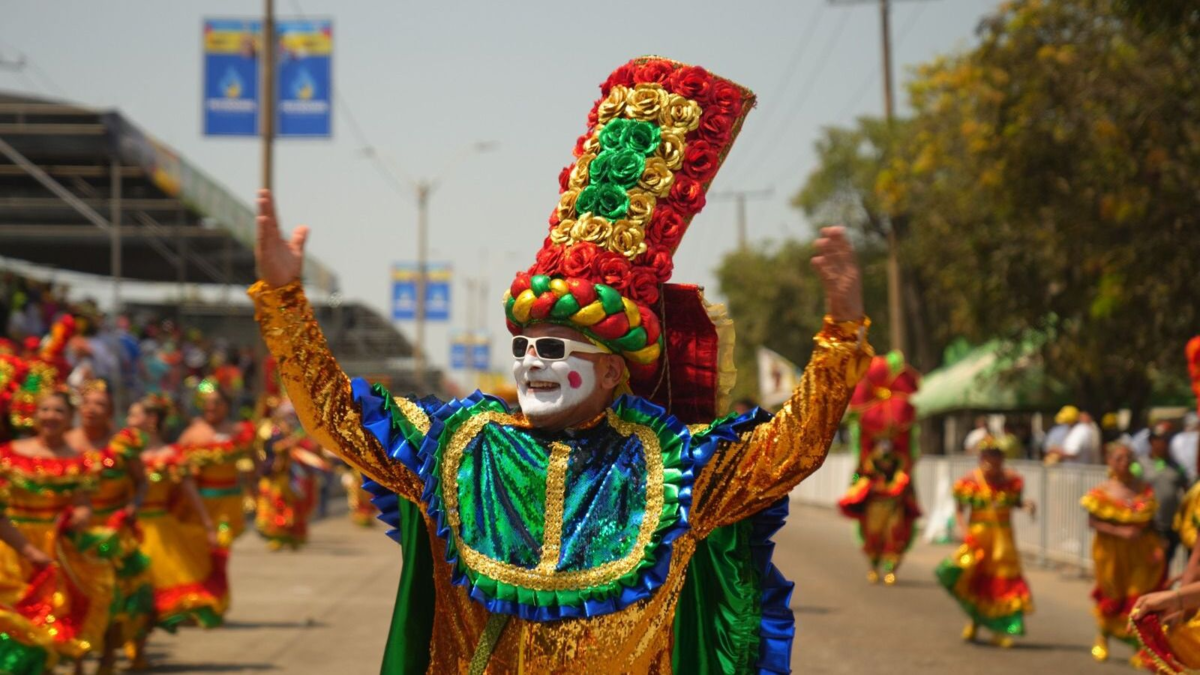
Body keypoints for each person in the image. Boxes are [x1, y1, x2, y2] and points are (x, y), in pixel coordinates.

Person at [249, 55, 872, 672]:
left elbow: (793, 448)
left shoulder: (675, 471)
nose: (530, 364)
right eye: (522, 348)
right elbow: (336, 415)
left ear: (612, 371)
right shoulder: (459, 448)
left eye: (553, 349)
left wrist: (842, 335)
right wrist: (283, 300)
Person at [0, 391, 117, 670]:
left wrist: (82, 513)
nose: (50, 416)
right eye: (45, 410)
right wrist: (29, 551)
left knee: (49, 621)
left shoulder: (79, 462)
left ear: (70, 418)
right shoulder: (8, 455)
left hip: (57, 550)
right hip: (11, 546)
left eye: (59, 411)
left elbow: (83, 502)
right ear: (34, 415)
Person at [68, 381, 153, 674]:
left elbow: (142, 482)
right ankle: (77, 660)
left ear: (110, 412)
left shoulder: (124, 445)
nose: (92, 409)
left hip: (114, 532)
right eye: (87, 403)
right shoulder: (65, 443)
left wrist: (133, 506)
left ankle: (107, 655)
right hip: (75, 534)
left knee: (115, 596)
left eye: (100, 404)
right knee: (77, 596)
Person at [128, 395, 226, 639]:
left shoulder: (170, 455)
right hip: (127, 526)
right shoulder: (123, 454)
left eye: (134, 414)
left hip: (159, 530)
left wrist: (208, 525)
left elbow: (190, 493)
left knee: (153, 586)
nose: (129, 420)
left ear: (152, 419)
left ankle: (141, 639)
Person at [935, 440, 1035, 647]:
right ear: (982, 459)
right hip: (979, 537)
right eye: (988, 459)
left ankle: (1001, 629)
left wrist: (1027, 505)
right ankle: (975, 621)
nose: (992, 464)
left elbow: (1015, 502)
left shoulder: (1011, 480)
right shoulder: (970, 481)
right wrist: (965, 532)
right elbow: (959, 511)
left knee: (1002, 583)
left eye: (997, 459)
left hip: (1003, 539)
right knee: (975, 581)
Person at [1081, 442, 1164, 664]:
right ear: (1109, 461)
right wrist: (1120, 531)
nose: (1125, 462)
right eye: (1119, 458)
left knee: (1138, 596)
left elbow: (1152, 523)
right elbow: (1092, 521)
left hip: (1140, 551)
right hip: (1110, 553)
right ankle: (1103, 636)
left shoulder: (1143, 489)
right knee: (1112, 596)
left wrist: (1158, 546)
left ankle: (1139, 647)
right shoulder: (1102, 491)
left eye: (1128, 458)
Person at [837, 440, 920, 585]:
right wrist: (857, 482)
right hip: (874, 508)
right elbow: (856, 477)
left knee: (895, 537)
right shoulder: (868, 464)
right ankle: (873, 567)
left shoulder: (900, 465)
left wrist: (908, 494)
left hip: (894, 508)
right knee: (873, 537)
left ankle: (890, 570)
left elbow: (909, 485)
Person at [1142, 429, 1189, 570]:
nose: (1165, 444)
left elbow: (1187, 491)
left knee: (1165, 565)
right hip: (1148, 525)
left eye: (1167, 440)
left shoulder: (1177, 467)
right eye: (1161, 440)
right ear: (1152, 441)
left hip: (1171, 525)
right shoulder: (1139, 464)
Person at [1171, 413, 1200, 484]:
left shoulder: (1176, 438)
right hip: (1195, 477)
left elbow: (1173, 457)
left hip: (1182, 477)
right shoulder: (1178, 439)